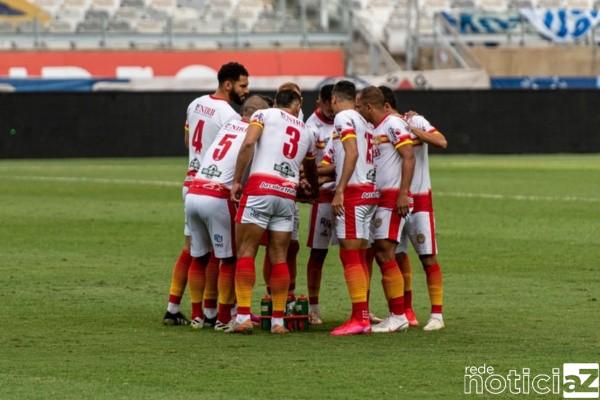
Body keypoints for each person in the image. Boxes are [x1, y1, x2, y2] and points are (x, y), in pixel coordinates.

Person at [162, 62, 249, 326]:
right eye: (242, 85)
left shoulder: (195, 103)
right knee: (219, 254)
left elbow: (188, 140)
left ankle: (179, 308)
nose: (246, 90)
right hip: (213, 185)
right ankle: (216, 313)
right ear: (228, 84)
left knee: (193, 250)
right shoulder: (230, 117)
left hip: (191, 180)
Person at [229, 89, 317, 334]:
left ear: (277, 102)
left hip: (260, 188)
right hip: (286, 194)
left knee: (246, 252)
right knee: (280, 256)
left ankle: (243, 317)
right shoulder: (306, 131)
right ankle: (278, 321)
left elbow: (248, 143)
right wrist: (311, 191)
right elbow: (309, 168)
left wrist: (237, 180)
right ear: (296, 104)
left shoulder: (263, 115)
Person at [184, 95, 268, 331]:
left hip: (195, 191)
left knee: (199, 256)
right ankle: (222, 318)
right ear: (259, 114)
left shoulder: (228, 125)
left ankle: (198, 315)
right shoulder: (255, 133)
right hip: (217, 196)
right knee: (229, 258)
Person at [379, 86, 449, 331]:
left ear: (385, 105)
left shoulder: (414, 120)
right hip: (393, 202)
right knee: (398, 255)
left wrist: (414, 129)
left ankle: (437, 315)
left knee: (428, 256)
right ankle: (406, 311)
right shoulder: (380, 127)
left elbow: (441, 141)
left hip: (418, 200)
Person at [355, 86, 415, 333]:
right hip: (379, 197)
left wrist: (403, 193)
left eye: (360, 107)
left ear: (369, 106)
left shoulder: (392, 124)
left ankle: (398, 315)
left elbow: (408, 156)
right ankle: (394, 313)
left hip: (393, 196)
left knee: (385, 252)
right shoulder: (375, 129)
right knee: (379, 253)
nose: (358, 111)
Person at [328, 80, 379, 336]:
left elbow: (352, 153)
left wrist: (339, 190)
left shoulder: (344, 117)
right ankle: (362, 314)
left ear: (335, 100)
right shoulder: (364, 121)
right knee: (359, 255)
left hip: (354, 193)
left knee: (350, 254)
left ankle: (359, 318)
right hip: (370, 191)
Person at [303, 84, 336, 325]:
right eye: (329, 104)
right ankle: (313, 308)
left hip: (349, 195)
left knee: (360, 251)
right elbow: (307, 167)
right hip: (324, 196)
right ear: (321, 102)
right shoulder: (311, 128)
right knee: (318, 252)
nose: (333, 109)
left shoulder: (346, 119)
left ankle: (362, 309)